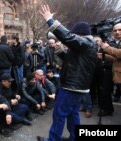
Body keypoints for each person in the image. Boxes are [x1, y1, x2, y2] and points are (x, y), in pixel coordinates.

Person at [37, 5, 98, 141]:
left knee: (59, 114)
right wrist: (60, 51)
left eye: (75, 34)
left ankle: (53, 139)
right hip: (79, 87)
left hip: (71, 87)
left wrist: (50, 20)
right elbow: (74, 62)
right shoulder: (88, 46)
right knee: (72, 113)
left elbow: (68, 37)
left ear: (80, 34)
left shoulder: (85, 42)